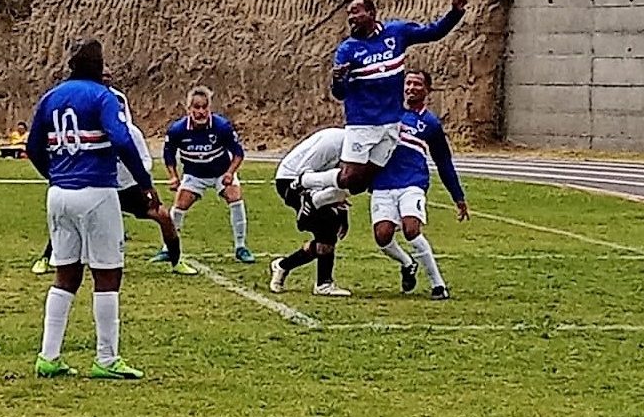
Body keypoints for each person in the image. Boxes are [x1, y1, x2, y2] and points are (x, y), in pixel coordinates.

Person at [26, 39, 157, 380]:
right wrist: (143, 182)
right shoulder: (103, 97)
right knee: (108, 274)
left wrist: (53, 175)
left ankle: (48, 356)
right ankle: (106, 358)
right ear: (99, 68)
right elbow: (122, 138)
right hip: (96, 191)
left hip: (59, 194)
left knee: (65, 275)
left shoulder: (50, 97)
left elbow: (32, 146)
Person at [294, 0, 468, 202]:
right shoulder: (347, 49)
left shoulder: (397, 33)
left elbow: (433, 32)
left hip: (392, 124)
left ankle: (316, 201)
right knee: (349, 177)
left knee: (363, 181)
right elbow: (339, 94)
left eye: (356, 12)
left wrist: (455, 13)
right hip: (362, 124)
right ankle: (304, 180)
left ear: (371, 13)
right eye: (349, 14)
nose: (351, 18)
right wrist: (337, 80)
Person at [32, 70, 196, 276]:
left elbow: (144, 161)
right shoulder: (92, 128)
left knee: (163, 215)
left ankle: (176, 260)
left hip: (127, 188)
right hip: (99, 186)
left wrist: (138, 181)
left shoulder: (131, 134)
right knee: (71, 216)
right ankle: (46, 257)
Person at [371, 70, 468, 300]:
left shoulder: (430, 123)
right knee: (382, 237)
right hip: (384, 183)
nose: (411, 88)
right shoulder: (390, 113)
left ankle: (438, 285)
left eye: (417, 84)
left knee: (411, 228)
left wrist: (458, 196)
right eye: (408, 83)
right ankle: (407, 263)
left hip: (412, 182)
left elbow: (444, 161)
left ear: (427, 90)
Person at [151, 86, 255, 264]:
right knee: (179, 205)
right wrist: (174, 176)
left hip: (221, 172)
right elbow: (169, 155)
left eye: (204, 107)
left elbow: (238, 153)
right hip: (194, 174)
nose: (201, 112)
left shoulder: (222, 126)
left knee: (235, 197)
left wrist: (230, 173)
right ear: (188, 109)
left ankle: (241, 247)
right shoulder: (177, 130)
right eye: (196, 108)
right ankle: (168, 248)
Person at [270, 127, 352, 297]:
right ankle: (323, 283)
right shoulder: (331, 143)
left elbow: (337, 181)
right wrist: (308, 199)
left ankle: (284, 266)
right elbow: (303, 173)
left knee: (327, 236)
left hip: (314, 188)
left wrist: (341, 211)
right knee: (327, 229)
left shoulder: (351, 148)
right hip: (290, 181)